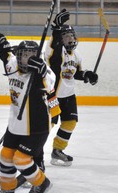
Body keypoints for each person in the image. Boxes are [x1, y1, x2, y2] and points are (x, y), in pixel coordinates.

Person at [0, 28, 55, 193]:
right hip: (15, 123)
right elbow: (6, 55)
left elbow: (50, 84)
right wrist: (0, 42)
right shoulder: (12, 64)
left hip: (36, 126)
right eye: (24, 55)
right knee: (6, 157)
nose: (28, 59)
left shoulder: (44, 71)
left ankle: (41, 183)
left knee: (21, 160)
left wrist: (40, 73)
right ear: (19, 55)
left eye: (33, 55)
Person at [44, 9, 98, 166]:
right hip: (52, 95)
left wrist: (87, 75)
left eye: (71, 36)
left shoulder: (77, 54)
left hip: (68, 96)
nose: (70, 39)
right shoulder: (54, 50)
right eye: (66, 37)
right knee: (47, 125)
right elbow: (54, 56)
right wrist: (56, 27)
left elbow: (76, 73)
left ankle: (57, 150)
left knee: (70, 122)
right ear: (61, 39)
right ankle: (34, 152)